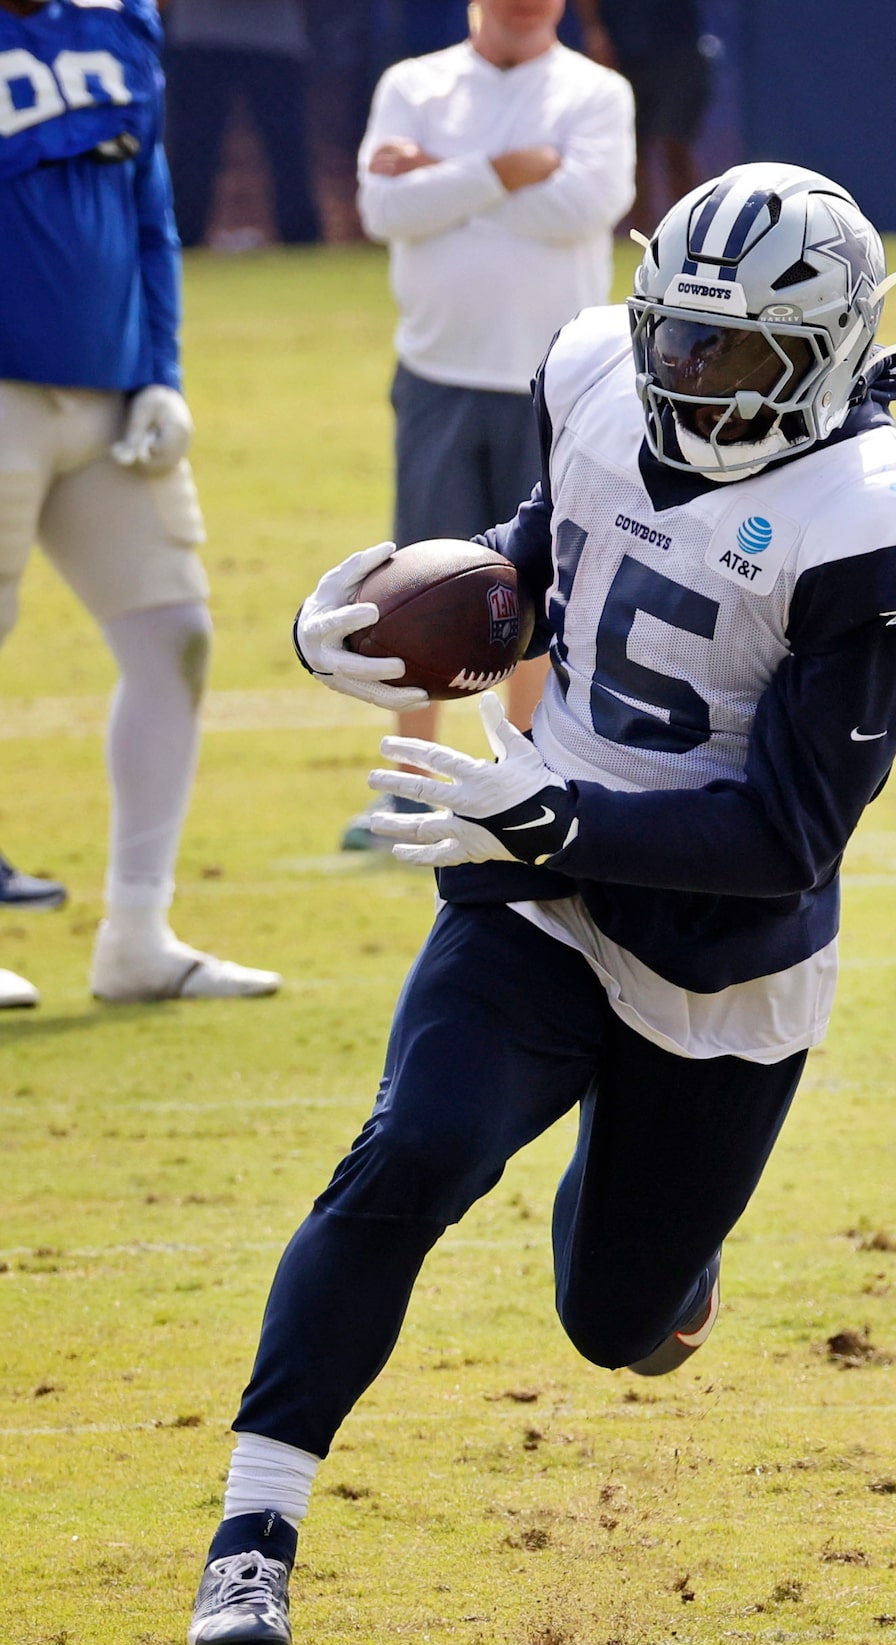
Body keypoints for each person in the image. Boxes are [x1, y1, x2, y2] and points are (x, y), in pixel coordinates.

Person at [186, 163, 896, 1645]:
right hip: (533, 877)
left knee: (613, 1320)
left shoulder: (882, 524)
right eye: (672, 336)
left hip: (717, 954)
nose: (685, 376)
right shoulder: (593, 371)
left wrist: (560, 818)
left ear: (822, 353)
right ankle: (252, 1538)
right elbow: (555, 554)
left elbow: (789, 836)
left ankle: (661, 1256)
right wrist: (376, 616)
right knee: (412, 1153)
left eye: (729, 356)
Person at [0, 0, 277, 1006]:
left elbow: (149, 204)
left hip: (112, 390)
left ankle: (138, 935)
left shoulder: (121, 21)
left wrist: (161, 368)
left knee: (176, 638)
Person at [344, 0, 634, 850]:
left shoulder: (595, 92)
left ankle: (529, 779)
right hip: (437, 370)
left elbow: (581, 208)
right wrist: (507, 169)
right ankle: (405, 790)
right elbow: (384, 212)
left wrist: (441, 176)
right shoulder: (414, 84)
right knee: (409, 590)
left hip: (559, 382)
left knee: (545, 588)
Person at [161, 0, 322, 249]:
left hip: (275, 38)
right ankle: (181, 241)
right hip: (199, 36)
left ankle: (302, 242)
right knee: (192, 152)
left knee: (288, 150)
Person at [572, 0, 712, 234]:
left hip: (678, 44)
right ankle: (640, 236)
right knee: (632, 151)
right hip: (623, 44)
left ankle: (694, 232)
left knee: (676, 146)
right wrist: (594, 29)